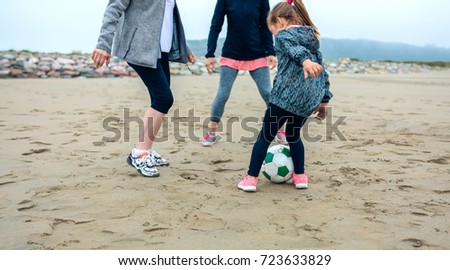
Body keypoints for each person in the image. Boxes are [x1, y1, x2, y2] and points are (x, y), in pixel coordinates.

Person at [238, 0, 333, 192]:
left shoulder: (283, 36)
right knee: (293, 135)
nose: (274, 34)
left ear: (280, 21)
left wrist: (305, 61)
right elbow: (323, 73)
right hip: (307, 101)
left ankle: (250, 179)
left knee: (265, 136)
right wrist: (324, 100)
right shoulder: (312, 38)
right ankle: (300, 177)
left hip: (284, 98)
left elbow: (296, 51)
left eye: (272, 29)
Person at [92, 0, 194, 177]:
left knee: (159, 100)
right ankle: (139, 153)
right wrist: (103, 44)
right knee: (164, 98)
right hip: (139, 47)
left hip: (159, 49)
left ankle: (146, 150)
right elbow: (113, 8)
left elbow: (167, 17)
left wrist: (184, 46)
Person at [201, 0, 286, 146]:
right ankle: (211, 133)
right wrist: (210, 54)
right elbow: (216, 26)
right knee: (223, 94)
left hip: (257, 53)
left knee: (268, 93)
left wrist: (270, 52)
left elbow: (266, 27)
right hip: (231, 54)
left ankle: (280, 130)